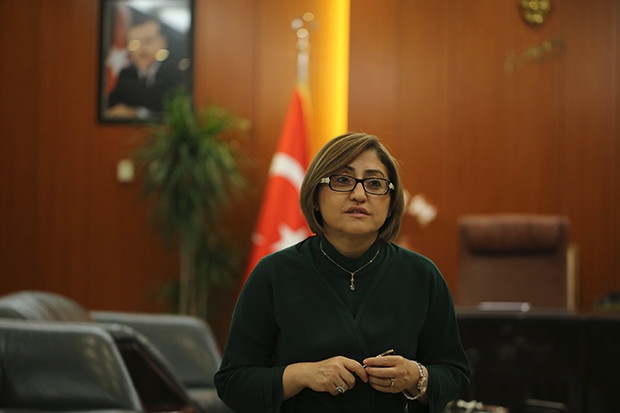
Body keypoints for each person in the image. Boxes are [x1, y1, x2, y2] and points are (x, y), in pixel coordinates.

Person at [215, 132, 470, 413]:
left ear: (390, 203)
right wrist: (301, 375)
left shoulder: (421, 275)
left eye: (375, 183)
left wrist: (415, 377)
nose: (359, 195)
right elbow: (233, 382)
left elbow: (455, 374)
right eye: (342, 180)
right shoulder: (273, 274)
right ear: (315, 196)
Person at [106, 18, 185, 120]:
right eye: (135, 43)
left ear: (163, 42)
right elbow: (109, 107)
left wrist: (137, 113)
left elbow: (177, 113)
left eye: (148, 41)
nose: (142, 48)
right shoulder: (126, 74)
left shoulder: (176, 74)